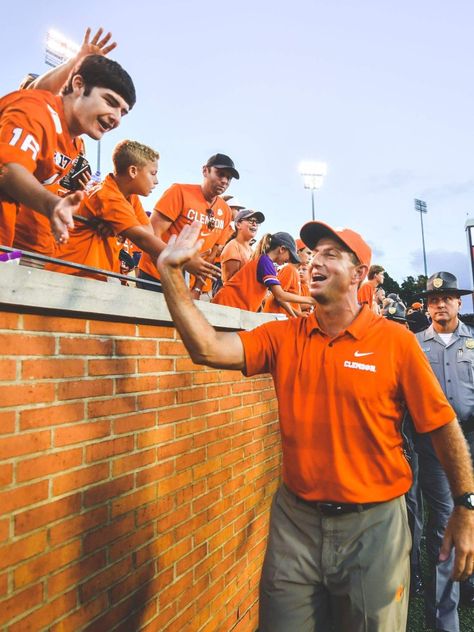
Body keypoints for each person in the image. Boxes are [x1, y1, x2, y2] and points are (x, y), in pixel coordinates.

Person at [156, 220, 474, 632]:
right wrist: (170, 275)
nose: (313, 263)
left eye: (330, 254)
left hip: (374, 526)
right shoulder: (283, 335)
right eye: (311, 255)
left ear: (359, 274)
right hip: (296, 521)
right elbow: (207, 348)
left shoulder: (394, 342)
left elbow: (441, 423)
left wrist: (465, 508)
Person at [0, 54, 135, 253]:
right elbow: (8, 171)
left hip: (21, 240)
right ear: (78, 85)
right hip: (22, 234)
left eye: (122, 112)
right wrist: (53, 205)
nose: (116, 118)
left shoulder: (74, 141)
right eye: (109, 101)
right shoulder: (35, 108)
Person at [407, 271, 474, 631]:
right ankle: (444, 620)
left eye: (447, 297)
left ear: (459, 303)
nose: (440, 303)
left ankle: (468, 581)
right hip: (436, 447)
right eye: (434, 299)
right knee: (447, 521)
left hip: (473, 438)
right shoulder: (414, 345)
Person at [46, 140, 159, 281]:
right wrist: (184, 259)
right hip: (71, 273)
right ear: (133, 171)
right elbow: (143, 239)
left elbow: (148, 231)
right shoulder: (108, 196)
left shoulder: (130, 196)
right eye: (153, 173)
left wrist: (118, 228)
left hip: (92, 274)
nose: (156, 181)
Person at [136, 153, 237, 294]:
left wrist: (197, 288)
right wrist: (177, 264)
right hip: (156, 276)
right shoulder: (179, 192)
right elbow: (152, 233)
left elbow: (211, 256)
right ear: (205, 171)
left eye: (229, 178)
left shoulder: (225, 211)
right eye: (220, 174)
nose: (225, 181)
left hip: (187, 284)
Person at [212, 232, 315, 316]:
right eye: (290, 256)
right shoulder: (266, 262)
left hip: (232, 306)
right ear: (282, 249)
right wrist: (310, 300)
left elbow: (278, 296)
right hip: (228, 304)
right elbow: (280, 296)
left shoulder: (266, 262)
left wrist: (295, 314)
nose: (289, 260)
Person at [220, 209, 265, 284]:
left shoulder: (251, 250)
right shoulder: (233, 247)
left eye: (257, 222)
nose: (254, 224)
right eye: (251, 220)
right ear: (238, 224)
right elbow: (231, 283)